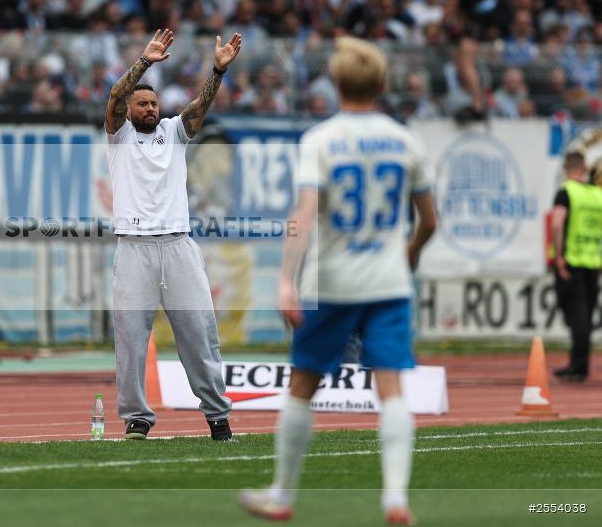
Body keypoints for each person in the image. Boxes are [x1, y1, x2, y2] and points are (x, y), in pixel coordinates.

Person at [238, 37, 438, 525]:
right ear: (383, 84)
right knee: (390, 388)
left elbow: (304, 214)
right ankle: (395, 499)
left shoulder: (321, 140)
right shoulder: (407, 140)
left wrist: (286, 278)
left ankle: (282, 495)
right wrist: (407, 257)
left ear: (337, 83)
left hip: (331, 283)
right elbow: (430, 220)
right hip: (388, 284)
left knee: (303, 384)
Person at [105, 28, 242, 441]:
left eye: (153, 103)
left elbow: (200, 105)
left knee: (199, 333)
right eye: (141, 103)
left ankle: (218, 417)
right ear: (129, 110)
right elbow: (112, 98)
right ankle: (137, 419)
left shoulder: (174, 132)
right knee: (130, 338)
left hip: (179, 244)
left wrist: (216, 72)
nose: (149, 108)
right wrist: (144, 62)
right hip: (134, 248)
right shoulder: (119, 136)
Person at [549, 151, 602, 383]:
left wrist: (558, 256)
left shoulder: (566, 192)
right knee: (587, 315)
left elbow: (557, 224)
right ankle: (577, 363)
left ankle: (579, 367)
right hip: (594, 262)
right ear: (584, 168)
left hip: (572, 261)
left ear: (567, 169)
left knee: (575, 314)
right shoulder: (596, 195)